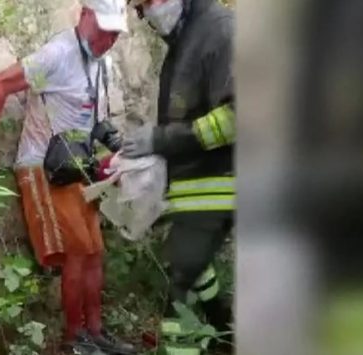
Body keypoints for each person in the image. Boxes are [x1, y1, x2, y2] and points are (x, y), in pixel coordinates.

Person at [0, 0, 134, 354]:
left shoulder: (100, 63)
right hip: (43, 167)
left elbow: (94, 123)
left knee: (94, 252)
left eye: (115, 33)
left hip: (75, 169)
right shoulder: (58, 55)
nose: (109, 39)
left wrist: (115, 158)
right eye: (104, 29)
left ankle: (95, 334)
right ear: (84, 15)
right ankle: (74, 341)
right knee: (79, 252)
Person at [123, 0, 235, 353]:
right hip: (194, 189)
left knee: (178, 297)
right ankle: (223, 332)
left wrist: (160, 140)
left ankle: (205, 339)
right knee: (193, 269)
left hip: (220, 185)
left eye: (147, 3)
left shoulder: (219, 30)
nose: (145, 15)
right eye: (139, 9)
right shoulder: (183, 40)